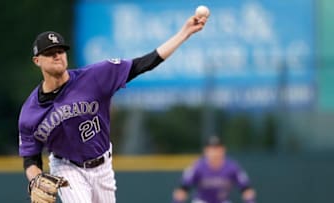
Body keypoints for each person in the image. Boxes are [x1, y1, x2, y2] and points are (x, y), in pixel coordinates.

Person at [18, 14, 208, 203]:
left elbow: (144, 63)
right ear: (37, 61)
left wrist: (185, 32)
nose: (57, 55)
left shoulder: (95, 77)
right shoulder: (30, 113)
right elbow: (31, 158)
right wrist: (35, 179)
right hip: (67, 168)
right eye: (50, 52)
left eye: (61, 50)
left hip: (103, 167)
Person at [172, 136, 256, 203]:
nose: (215, 152)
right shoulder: (197, 167)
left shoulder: (232, 167)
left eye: (217, 148)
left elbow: (246, 189)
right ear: (206, 151)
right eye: (211, 149)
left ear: (223, 150)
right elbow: (182, 190)